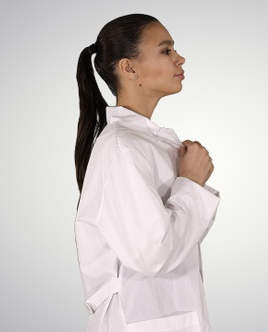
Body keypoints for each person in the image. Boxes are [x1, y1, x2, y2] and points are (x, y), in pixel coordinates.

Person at [74, 14, 220, 332]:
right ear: (129, 68)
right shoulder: (121, 148)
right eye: (166, 50)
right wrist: (191, 183)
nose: (179, 58)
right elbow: (152, 254)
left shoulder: (146, 144)